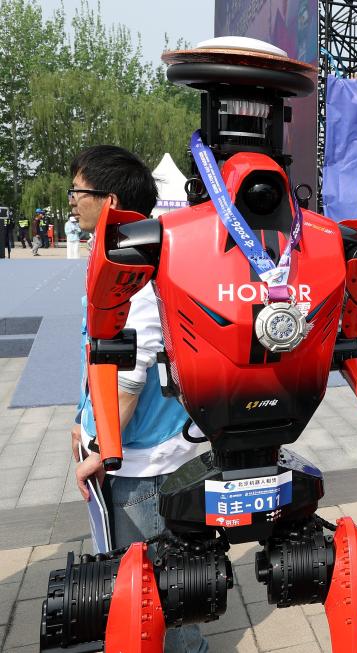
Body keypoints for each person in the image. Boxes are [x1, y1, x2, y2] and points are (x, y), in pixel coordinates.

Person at [69, 145, 207, 653]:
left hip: (142, 464)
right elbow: (100, 362)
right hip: (138, 452)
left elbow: (128, 381)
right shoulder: (126, 261)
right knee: (163, 582)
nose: (71, 201)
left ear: (108, 201)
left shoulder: (136, 275)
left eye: (77, 191)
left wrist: (98, 450)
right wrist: (83, 419)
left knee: (156, 589)